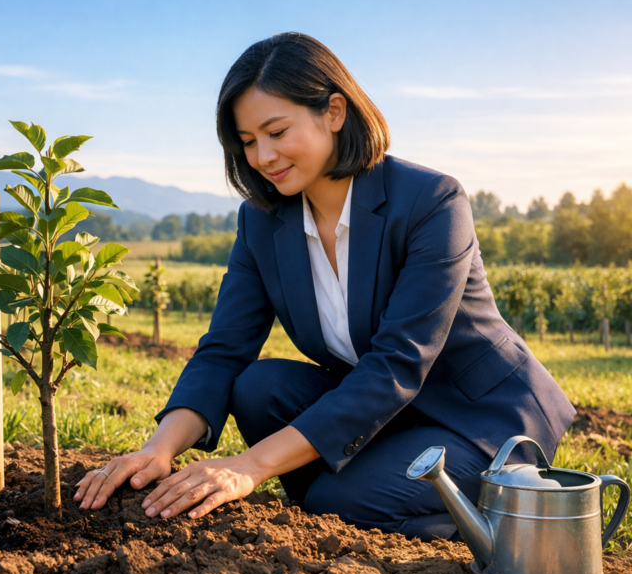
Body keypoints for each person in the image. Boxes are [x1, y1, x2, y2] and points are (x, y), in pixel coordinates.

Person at [73, 32, 576, 540]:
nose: (262, 156)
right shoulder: (262, 222)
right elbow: (224, 350)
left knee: (332, 500)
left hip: (477, 418)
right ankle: (359, 494)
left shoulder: (431, 201)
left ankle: (498, 514)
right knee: (256, 388)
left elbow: (398, 363)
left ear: (334, 112)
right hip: (383, 418)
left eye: (276, 131)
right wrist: (158, 449)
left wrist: (251, 465)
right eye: (247, 141)